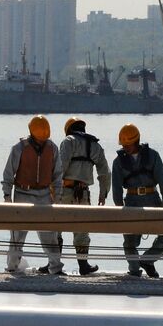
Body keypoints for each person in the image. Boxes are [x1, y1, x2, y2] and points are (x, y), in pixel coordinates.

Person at [1, 115, 64, 274]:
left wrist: (57, 197)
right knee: (17, 235)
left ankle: (55, 267)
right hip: (22, 193)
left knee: (49, 235)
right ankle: (12, 267)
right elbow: (9, 173)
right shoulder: (19, 148)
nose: (42, 142)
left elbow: (57, 175)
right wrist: (7, 196)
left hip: (44, 194)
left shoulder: (53, 148)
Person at [110, 124, 163, 277]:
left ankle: (147, 260)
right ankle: (134, 270)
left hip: (153, 199)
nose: (126, 148)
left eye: (128, 144)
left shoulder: (153, 155)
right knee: (130, 240)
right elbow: (117, 189)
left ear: (136, 141)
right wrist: (120, 210)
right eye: (124, 145)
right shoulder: (118, 162)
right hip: (131, 201)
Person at [52, 117, 110, 275]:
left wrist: (52, 189)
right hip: (83, 194)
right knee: (82, 230)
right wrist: (103, 193)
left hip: (64, 191)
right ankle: (83, 265)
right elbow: (105, 172)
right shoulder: (95, 145)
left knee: (55, 228)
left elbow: (60, 167)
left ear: (68, 129)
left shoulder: (68, 141)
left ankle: (54, 265)